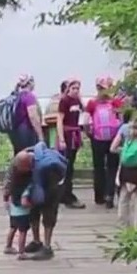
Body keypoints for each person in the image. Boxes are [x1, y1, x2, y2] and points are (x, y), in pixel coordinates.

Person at [2, 144, 67, 260]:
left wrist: (38, 198)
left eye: (23, 169)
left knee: (48, 213)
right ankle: (36, 241)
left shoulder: (46, 166)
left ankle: (47, 247)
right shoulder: (18, 161)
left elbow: (52, 188)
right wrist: (6, 195)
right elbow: (10, 178)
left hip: (53, 184)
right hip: (35, 183)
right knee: (33, 212)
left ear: (29, 165)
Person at [85, 76, 124, 208]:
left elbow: (85, 122)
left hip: (97, 139)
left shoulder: (92, 103)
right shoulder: (116, 102)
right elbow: (121, 120)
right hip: (113, 139)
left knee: (98, 167)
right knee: (112, 167)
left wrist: (89, 134)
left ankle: (99, 196)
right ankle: (110, 196)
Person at [56, 78, 86, 209]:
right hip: (67, 135)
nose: (76, 91)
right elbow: (59, 120)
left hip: (75, 134)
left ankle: (64, 193)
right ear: (68, 89)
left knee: (70, 165)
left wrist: (80, 98)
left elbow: (84, 111)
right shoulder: (64, 101)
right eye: (73, 88)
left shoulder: (77, 101)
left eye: (78, 88)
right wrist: (61, 139)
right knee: (66, 166)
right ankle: (66, 195)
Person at [9, 74, 45, 154]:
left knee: (19, 156)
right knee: (29, 156)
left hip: (15, 132)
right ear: (30, 83)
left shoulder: (16, 96)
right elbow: (33, 116)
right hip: (27, 131)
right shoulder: (29, 96)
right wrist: (40, 136)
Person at [3, 183, 34, 259]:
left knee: (13, 228)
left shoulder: (13, 186)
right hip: (23, 213)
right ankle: (21, 252)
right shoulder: (25, 188)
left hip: (13, 212)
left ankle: (8, 246)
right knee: (22, 232)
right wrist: (31, 205)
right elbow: (24, 203)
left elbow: (6, 195)